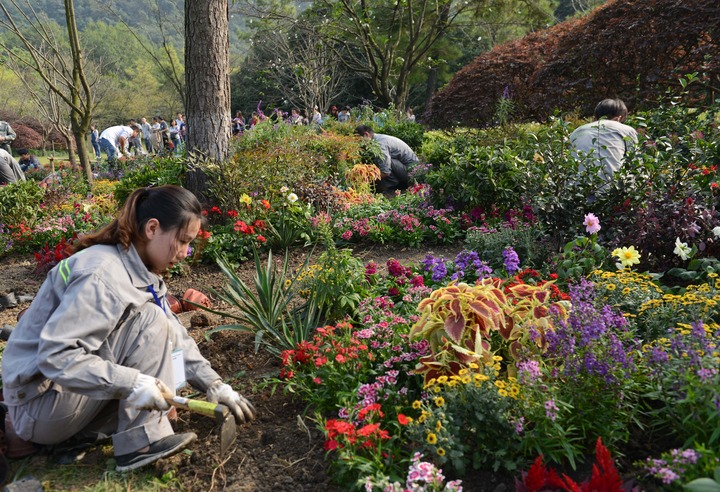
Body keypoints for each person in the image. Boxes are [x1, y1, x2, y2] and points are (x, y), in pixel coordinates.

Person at [1, 185, 256, 472]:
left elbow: (176, 337)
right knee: (149, 321)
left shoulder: (138, 269)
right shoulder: (103, 275)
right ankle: (140, 445)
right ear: (152, 228)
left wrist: (213, 384)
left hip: (57, 400)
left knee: (161, 337)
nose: (185, 253)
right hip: (40, 404)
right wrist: (133, 382)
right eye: (182, 241)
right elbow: (56, 356)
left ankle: (119, 433)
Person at [570, 98, 638, 180]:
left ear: (596, 117)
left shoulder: (576, 131)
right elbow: (636, 164)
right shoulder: (626, 130)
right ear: (619, 118)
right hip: (609, 188)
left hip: (575, 188)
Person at [354, 125, 419, 197]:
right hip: (403, 168)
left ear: (366, 134)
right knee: (379, 162)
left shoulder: (380, 144)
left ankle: (393, 188)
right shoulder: (377, 138)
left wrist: (368, 181)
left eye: (359, 140)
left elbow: (385, 172)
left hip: (411, 172)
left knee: (385, 163)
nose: (359, 144)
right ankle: (392, 185)